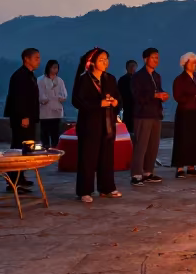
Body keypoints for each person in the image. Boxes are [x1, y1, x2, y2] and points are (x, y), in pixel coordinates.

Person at [71, 48, 122, 202]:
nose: (105, 62)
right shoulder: (84, 79)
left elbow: (119, 98)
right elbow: (77, 101)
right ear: (92, 62)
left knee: (106, 157)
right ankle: (84, 191)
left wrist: (115, 102)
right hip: (89, 124)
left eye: (107, 59)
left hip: (107, 123)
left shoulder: (110, 79)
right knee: (88, 157)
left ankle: (107, 188)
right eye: (101, 59)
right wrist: (99, 103)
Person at [2, 47, 41, 193]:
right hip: (22, 118)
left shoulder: (30, 75)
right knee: (18, 148)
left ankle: (21, 176)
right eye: (36, 58)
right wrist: (24, 116)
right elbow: (18, 98)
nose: (39, 61)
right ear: (27, 59)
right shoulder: (20, 76)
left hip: (29, 117)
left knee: (25, 149)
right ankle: (13, 181)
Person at [129, 48, 168, 186]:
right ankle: (136, 174)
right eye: (153, 58)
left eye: (157, 58)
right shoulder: (138, 76)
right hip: (142, 114)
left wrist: (162, 96)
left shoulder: (157, 76)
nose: (156, 60)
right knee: (141, 145)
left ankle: (148, 172)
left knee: (153, 145)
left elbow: (158, 91)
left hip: (155, 114)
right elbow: (137, 95)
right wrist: (154, 95)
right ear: (145, 59)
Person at [172, 52, 196, 178]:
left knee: (195, 140)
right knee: (183, 140)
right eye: (192, 62)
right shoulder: (179, 79)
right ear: (185, 63)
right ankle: (180, 167)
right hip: (184, 112)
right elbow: (178, 96)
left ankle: (191, 166)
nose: (194, 65)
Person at [37, 60, 67, 152]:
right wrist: (43, 99)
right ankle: (45, 146)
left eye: (56, 68)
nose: (55, 69)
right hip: (45, 109)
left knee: (55, 130)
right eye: (53, 67)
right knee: (45, 130)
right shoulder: (41, 80)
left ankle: (55, 146)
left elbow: (64, 92)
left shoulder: (60, 80)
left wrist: (62, 97)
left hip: (56, 109)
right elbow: (39, 92)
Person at [117, 60, 138, 135]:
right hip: (126, 106)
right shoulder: (122, 80)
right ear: (126, 68)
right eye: (130, 66)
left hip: (137, 107)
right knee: (127, 126)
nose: (132, 68)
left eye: (134, 66)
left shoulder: (139, 79)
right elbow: (119, 93)